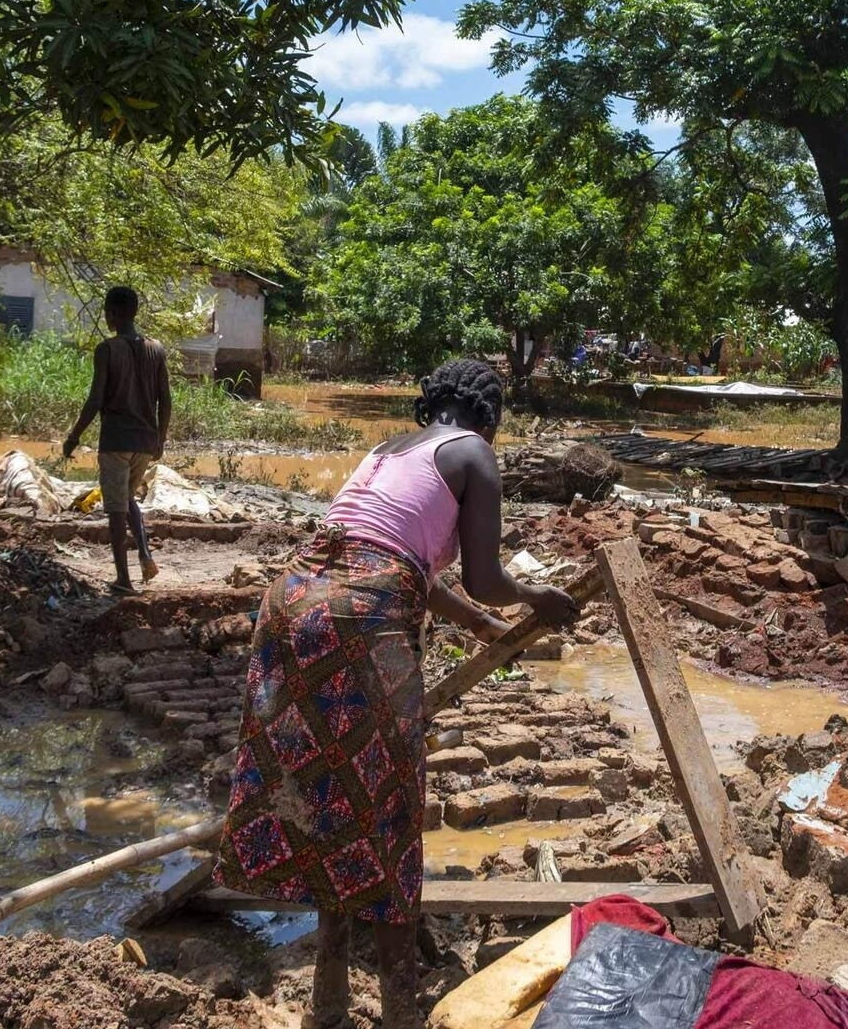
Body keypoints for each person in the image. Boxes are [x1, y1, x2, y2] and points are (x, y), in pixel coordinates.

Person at [212, 359, 580, 1029]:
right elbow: (487, 573)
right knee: (387, 812)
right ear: (489, 416)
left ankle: (327, 1009)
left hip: (292, 603)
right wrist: (536, 598)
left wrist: (478, 625)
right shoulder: (474, 453)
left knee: (331, 804)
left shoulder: (389, 449)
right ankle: (400, 1014)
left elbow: (404, 556)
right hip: (361, 618)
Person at [62, 286, 172, 595]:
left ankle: (123, 579)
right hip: (145, 442)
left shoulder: (107, 350)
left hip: (116, 441)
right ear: (135, 312)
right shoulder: (156, 349)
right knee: (127, 499)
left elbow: (95, 399)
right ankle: (145, 554)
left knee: (115, 509)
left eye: (107, 312)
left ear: (113, 314)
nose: (107, 317)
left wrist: (73, 436)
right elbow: (166, 400)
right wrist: (160, 439)